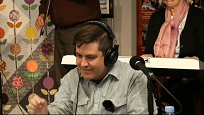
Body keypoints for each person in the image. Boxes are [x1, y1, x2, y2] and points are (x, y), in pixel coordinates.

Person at [27, 21, 156, 114]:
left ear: (109, 56)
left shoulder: (134, 79)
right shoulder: (71, 78)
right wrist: (45, 113)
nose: (82, 64)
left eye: (90, 57)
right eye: (79, 56)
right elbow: (61, 108)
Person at [142, 0, 204, 115]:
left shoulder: (198, 17)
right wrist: (147, 56)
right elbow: (149, 49)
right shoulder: (156, 18)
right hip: (159, 75)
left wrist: (195, 59)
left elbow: (203, 50)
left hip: (188, 77)